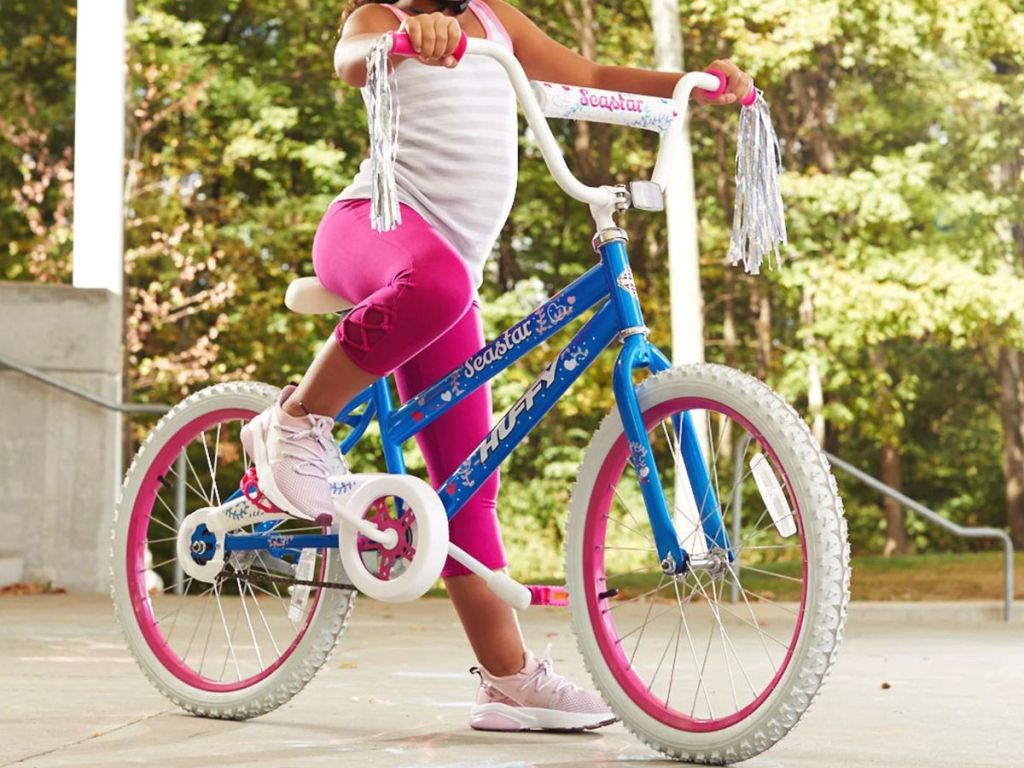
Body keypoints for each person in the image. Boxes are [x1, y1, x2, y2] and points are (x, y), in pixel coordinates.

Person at [241, 0, 753, 732]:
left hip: (444, 279)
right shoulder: (376, 18)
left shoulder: (496, 18)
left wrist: (694, 81)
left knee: (469, 482)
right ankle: (293, 421)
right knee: (439, 286)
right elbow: (351, 61)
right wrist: (403, 41)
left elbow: (592, 73)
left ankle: (509, 681)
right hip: (368, 228)